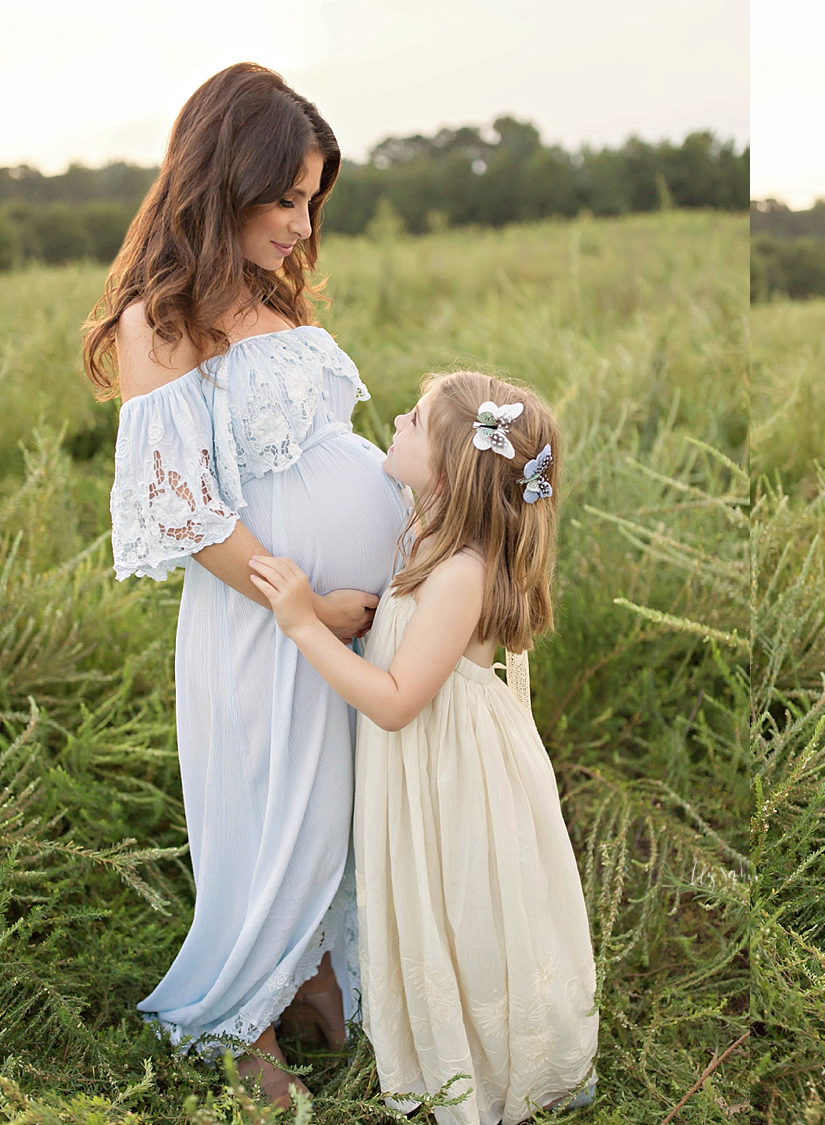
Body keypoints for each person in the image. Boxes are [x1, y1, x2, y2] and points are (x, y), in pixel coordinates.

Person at [84, 64, 409, 1103]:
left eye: (313, 201)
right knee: (277, 808)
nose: (302, 224)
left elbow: (333, 446)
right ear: (227, 181)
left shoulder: (273, 296)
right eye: (287, 198)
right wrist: (304, 603)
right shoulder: (161, 319)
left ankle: (314, 976)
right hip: (265, 619)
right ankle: (242, 1020)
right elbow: (183, 507)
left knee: (346, 806)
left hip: (350, 619)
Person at [247, 371, 599, 1125]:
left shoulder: (463, 573)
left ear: (444, 468)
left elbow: (400, 700)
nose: (397, 422)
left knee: (464, 909)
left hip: (450, 771)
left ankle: (487, 1064)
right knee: (437, 905)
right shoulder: (428, 533)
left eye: (412, 419)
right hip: (427, 764)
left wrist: (303, 622)